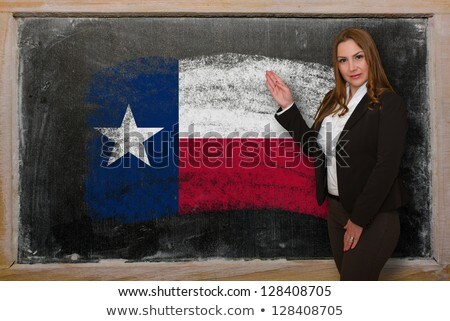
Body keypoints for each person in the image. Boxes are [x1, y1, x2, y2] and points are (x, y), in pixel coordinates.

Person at [265, 27, 408, 280]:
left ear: (371, 58)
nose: (351, 66)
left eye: (358, 57)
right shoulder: (332, 100)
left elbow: (386, 167)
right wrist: (288, 106)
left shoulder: (388, 103)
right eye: (343, 60)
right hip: (336, 211)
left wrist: (359, 220)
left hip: (373, 216)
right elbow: (316, 151)